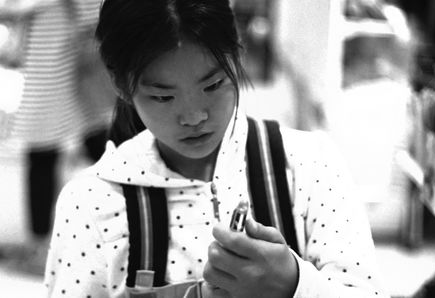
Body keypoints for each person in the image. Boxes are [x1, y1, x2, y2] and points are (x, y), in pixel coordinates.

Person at [44, 0, 387, 297]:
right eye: (163, 96)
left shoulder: (310, 167)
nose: (194, 116)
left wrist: (295, 285)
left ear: (237, 52)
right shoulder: (92, 203)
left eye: (213, 84)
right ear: (120, 83)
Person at [9, 0, 108, 270]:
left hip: (59, 28)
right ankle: (130, 219)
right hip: (63, 27)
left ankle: (40, 248)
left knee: (43, 142)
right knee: (93, 134)